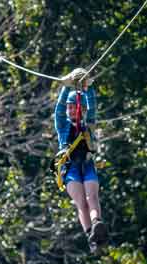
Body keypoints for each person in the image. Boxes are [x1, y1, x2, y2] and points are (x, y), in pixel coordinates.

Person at [54, 68, 107, 253]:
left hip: (87, 164)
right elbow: (59, 109)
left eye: (74, 107)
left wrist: (87, 85)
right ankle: (90, 236)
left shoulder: (89, 123)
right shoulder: (62, 125)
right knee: (80, 202)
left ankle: (97, 224)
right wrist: (65, 86)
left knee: (91, 196)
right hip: (70, 168)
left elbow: (92, 103)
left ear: (82, 109)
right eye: (69, 107)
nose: (71, 110)